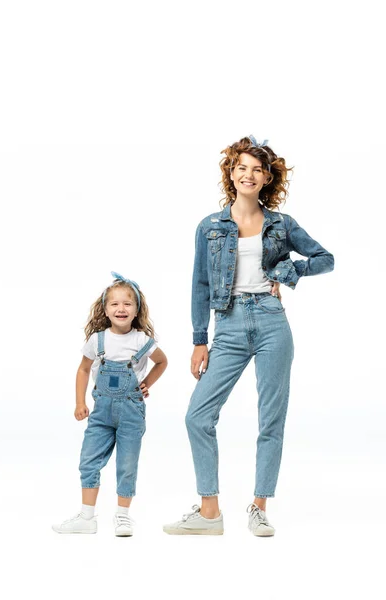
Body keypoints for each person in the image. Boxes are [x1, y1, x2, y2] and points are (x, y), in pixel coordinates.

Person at [163, 134, 334, 537]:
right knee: (198, 416)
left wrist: (286, 272)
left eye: (257, 169)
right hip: (230, 325)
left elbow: (326, 259)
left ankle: (259, 507)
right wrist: (199, 339)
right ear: (231, 173)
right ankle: (209, 513)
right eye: (242, 167)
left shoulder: (281, 224)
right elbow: (200, 285)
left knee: (270, 419)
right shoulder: (210, 226)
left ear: (267, 177)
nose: (248, 174)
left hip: (273, 321)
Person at [52, 272, 168, 536]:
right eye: (114, 303)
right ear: (105, 309)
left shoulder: (141, 340)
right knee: (89, 460)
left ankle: (123, 516)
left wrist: (146, 383)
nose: (121, 308)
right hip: (101, 413)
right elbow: (83, 370)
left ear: (137, 310)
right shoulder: (98, 340)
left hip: (131, 412)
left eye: (128, 303)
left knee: (127, 464)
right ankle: (86, 516)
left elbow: (162, 361)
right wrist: (79, 402)